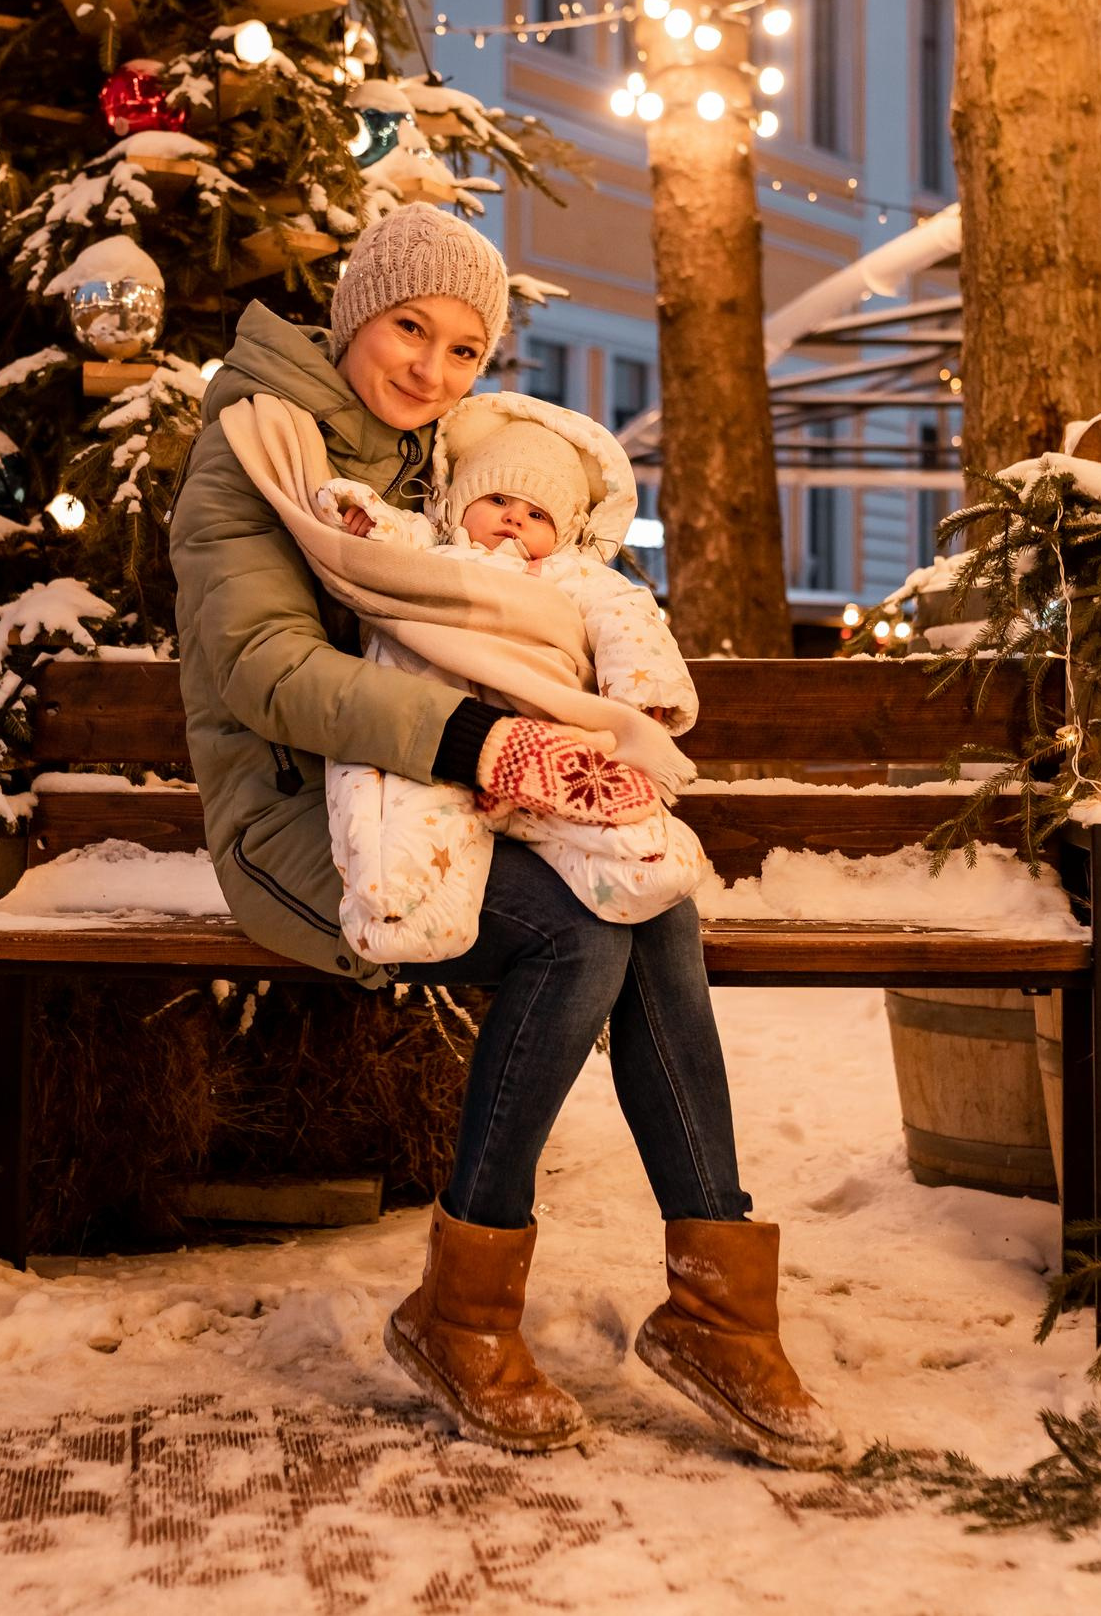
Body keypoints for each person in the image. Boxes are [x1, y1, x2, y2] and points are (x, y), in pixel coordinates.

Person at [168, 202, 839, 1469]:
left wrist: (569, 737)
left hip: (445, 796)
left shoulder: (432, 463)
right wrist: (485, 746)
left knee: (650, 899)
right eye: (411, 327)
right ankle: (461, 1314)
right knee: (571, 942)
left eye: (466, 348)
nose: (430, 366)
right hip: (300, 823)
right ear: (359, 308)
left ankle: (716, 1306)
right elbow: (263, 669)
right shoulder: (258, 449)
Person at [285, 389, 710, 966]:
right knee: (399, 814)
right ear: (459, 503)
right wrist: (361, 517)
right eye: (498, 497)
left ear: (561, 534)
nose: (515, 518)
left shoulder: (570, 574)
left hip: (542, 741)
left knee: (616, 824)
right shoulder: (429, 549)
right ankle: (402, 907)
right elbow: (380, 546)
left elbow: (628, 619)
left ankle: (639, 860)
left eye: (538, 514)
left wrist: (643, 691)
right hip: (434, 727)